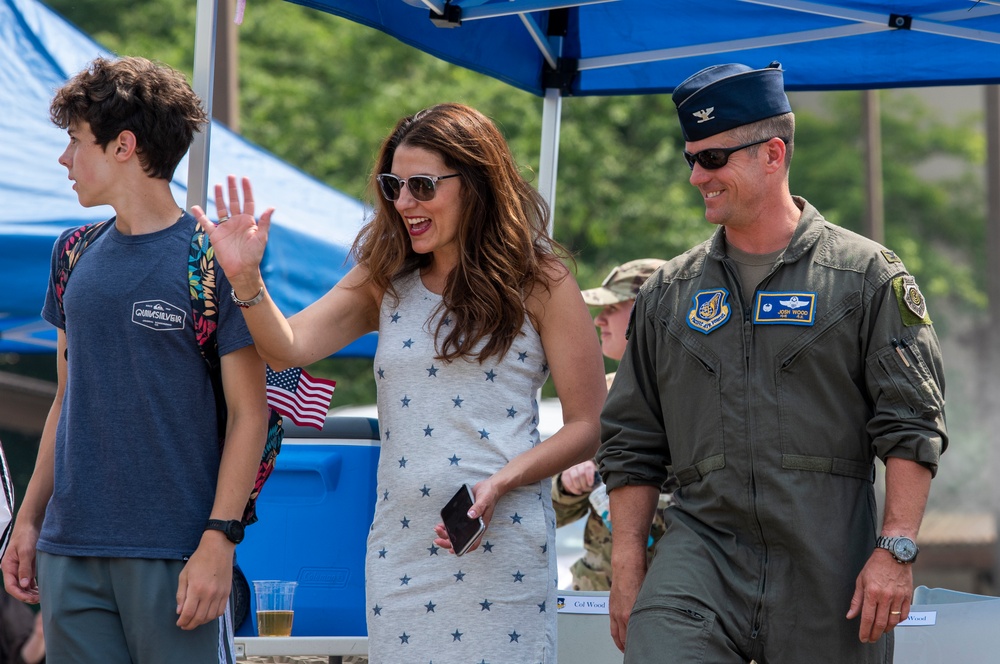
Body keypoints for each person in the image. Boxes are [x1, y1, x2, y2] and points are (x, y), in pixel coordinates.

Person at [193, 103, 606, 662]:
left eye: (422, 185)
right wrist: (246, 279)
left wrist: (502, 482)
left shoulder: (543, 280)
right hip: (401, 549)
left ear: (476, 182)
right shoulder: (384, 274)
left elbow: (590, 424)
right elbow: (286, 346)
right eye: (393, 185)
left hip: (502, 546)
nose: (404, 202)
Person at [597, 62, 947, 663]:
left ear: (773, 153)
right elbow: (632, 440)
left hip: (826, 567)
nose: (696, 177)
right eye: (691, 159)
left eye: (712, 159)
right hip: (699, 557)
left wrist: (896, 549)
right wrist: (628, 565)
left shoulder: (864, 277)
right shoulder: (667, 295)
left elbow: (912, 423)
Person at [1, 57, 267, 664]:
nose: (64, 160)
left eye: (74, 141)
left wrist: (219, 541)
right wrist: (28, 520)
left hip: (177, 554)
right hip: (68, 553)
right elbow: (66, 400)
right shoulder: (72, 253)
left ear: (124, 145)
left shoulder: (214, 259)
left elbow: (251, 414)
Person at [551, 259, 674, 591]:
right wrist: (569, 484)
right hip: (595, 596)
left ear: (649, 309)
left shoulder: (693, 401)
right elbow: (552, 515)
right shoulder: (598, 398)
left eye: (612, 306)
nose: (598, 319)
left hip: (666, 599)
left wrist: (631, 499)